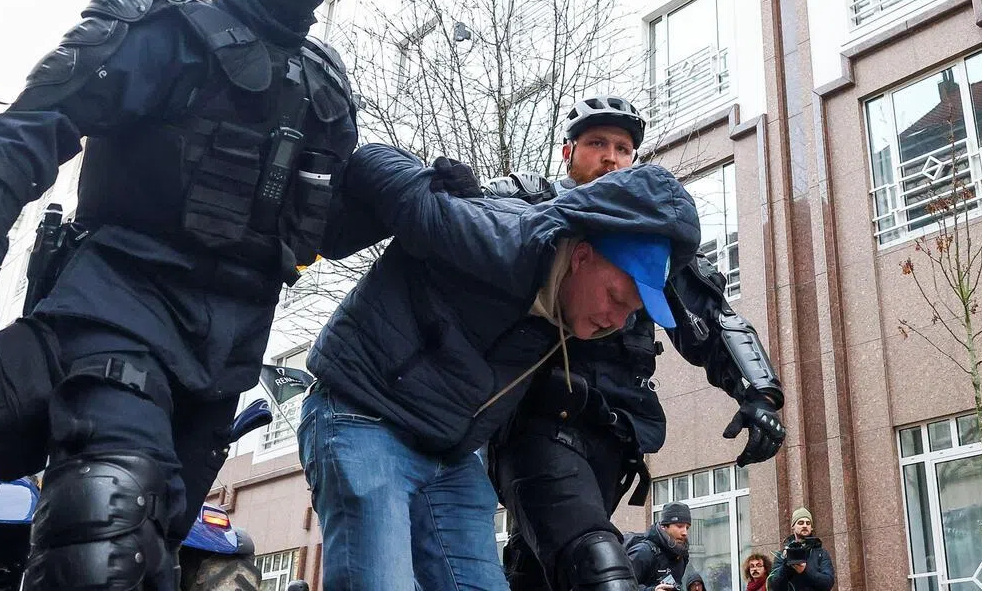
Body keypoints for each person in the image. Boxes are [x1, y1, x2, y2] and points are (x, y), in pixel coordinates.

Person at [0, 0, 363, 591]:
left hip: (228, 354)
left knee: (157, 551)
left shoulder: (324, 85)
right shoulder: (169, 32)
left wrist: (419, 197)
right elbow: (22, 129)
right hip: (117, 308)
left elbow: (325, 220)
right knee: (103, 525)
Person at [297, 142, 703, 591]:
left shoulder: (573, 315)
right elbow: (372, 158)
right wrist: (429, 183)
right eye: (615, 298)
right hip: (363, 416)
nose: (617, 321)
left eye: (632, 312)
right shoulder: (500, 235)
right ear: (582, 257)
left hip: (447, 454)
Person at [483, 95, 787, 591]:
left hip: (615, 432)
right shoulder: (530, 204)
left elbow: (712, 317)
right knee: (597, 564)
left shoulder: (651, 232)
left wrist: (759, 393)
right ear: (568, 152)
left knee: (539, 571)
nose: (611, 158)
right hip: (536, 420)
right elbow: (465, 235)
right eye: (597, 143)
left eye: (623, 149)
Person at [626, 502, 691, 591]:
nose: (685, 533)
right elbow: (622, 586)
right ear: (664, 527)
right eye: (679, 526)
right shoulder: (644, 552)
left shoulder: (681, 556)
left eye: (687, 527)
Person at [767, 508, 834, 591]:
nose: (805, 526)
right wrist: (786, 565)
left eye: (808, 523)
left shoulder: (821, 553)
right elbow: (773, 586)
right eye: (800, 523)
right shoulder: (782, 554)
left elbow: (828, 583)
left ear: (811, 528)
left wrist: (805, 571)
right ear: (793, 527)